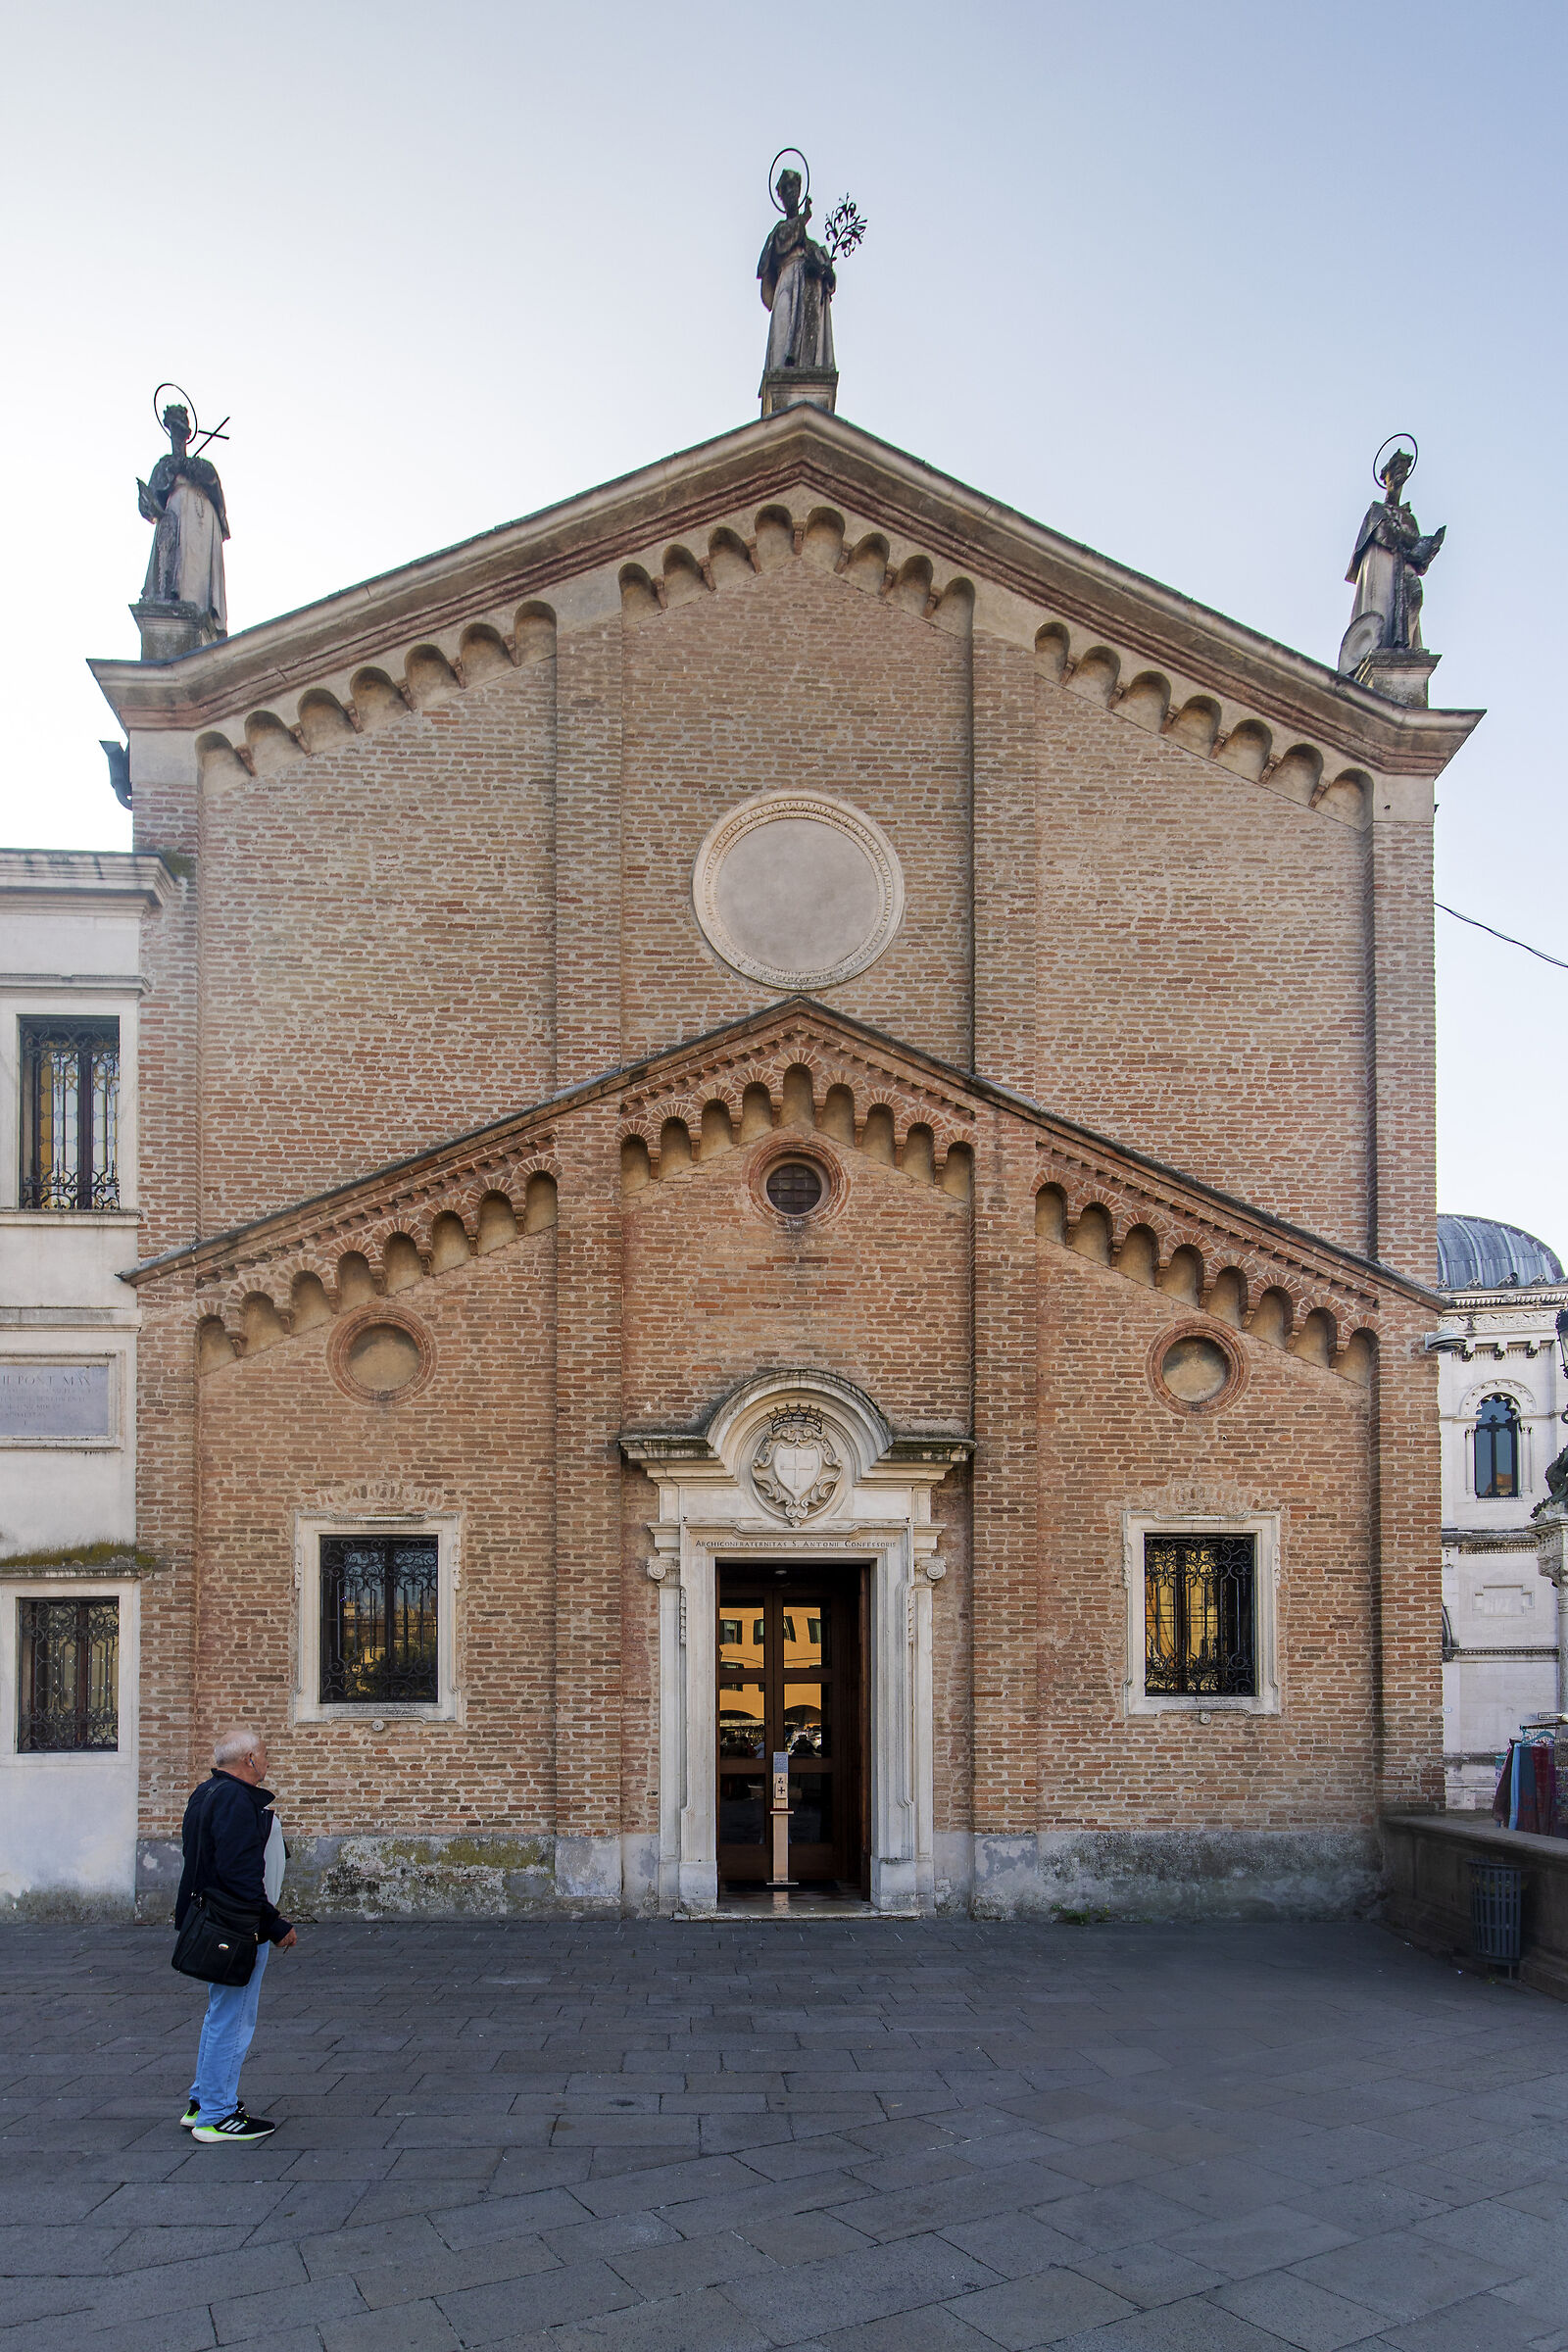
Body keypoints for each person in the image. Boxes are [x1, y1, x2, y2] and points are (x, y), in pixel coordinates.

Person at [175, 1725, 296, 2144]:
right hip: (235, 1927)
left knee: (220, 2014)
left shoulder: (206, 1793)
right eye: (264, 1755)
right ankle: (217, 2115)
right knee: (233, 2019)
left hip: (214, 1923)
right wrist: (273, 1925)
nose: (268, 1762)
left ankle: (202, 2101)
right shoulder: (236, 1800)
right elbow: (241, 1875)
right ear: (249, 1759)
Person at [138, 403, 229, 634]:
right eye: (173, 430)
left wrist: (187, 467)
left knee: (198, 573)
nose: (177, 437)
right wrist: (147, 502)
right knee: (177, 569)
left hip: (201, 523)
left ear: (187, 434)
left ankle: (200, 611)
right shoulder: (164, 466)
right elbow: (152, 505)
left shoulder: (202, 466)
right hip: (176, 521)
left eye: (180, 431)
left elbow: (213, 484)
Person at [758, 167, 836, 377]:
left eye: (793, 188)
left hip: (807, 288)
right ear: (781, 197)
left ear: (799, 191)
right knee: (782, 328)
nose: (790, 193)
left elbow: (828, 278)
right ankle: (780, 374)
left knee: (808, 336)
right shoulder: (779, 231)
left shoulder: (811, 247)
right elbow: (781, 244)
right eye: (785, 189)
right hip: (786, 280)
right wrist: (803, 218)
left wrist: (822, 270)